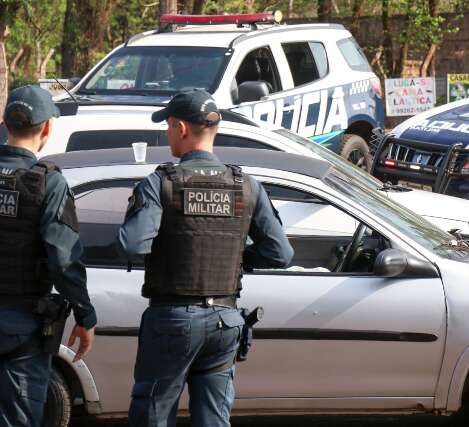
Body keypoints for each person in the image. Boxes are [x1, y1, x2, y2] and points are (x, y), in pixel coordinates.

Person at [118, 90, 293, 427]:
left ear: (181, 128)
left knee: (153, 414)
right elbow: (281, 253)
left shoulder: (161, 183)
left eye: (168, 127)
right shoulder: (246, 185)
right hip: (224, 321)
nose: (167, 134)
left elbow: (132, 245)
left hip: (172, 320)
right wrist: (237, 258)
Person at [0, 85, 96, 426]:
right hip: (22, 325)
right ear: (47, 128)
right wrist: (85, 316)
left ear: (6, 121)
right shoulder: (48, 183)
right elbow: (61, 256)